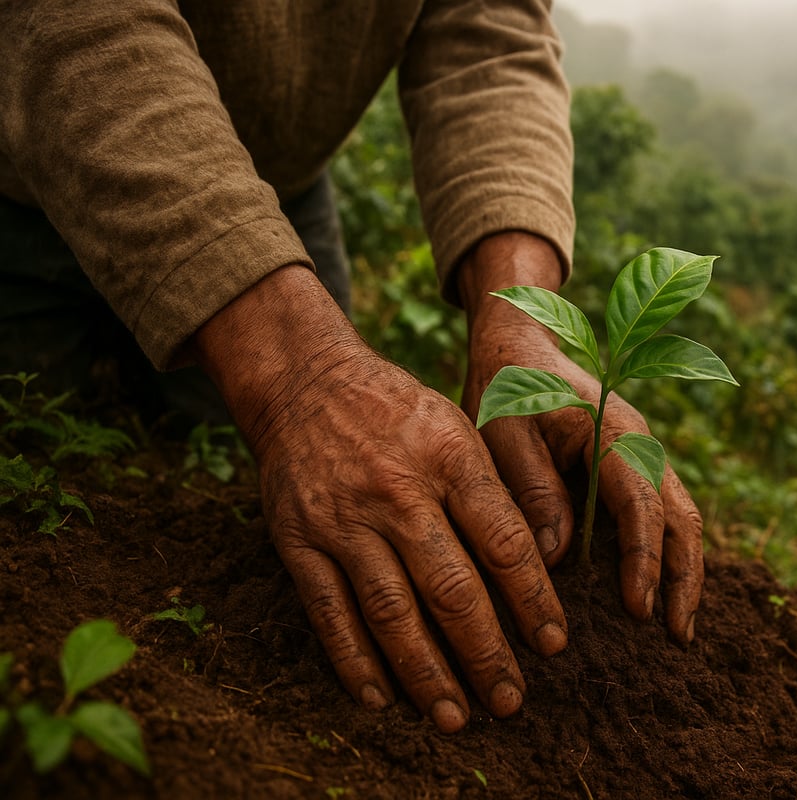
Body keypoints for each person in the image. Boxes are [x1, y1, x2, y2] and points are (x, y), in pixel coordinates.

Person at [0, 1, 704, 732]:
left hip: (276, 196)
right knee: (29, 466)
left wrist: (519, 323)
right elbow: (76, 23)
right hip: (23, 172)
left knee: (277, 479)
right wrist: (302, 378)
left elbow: (490, 42)